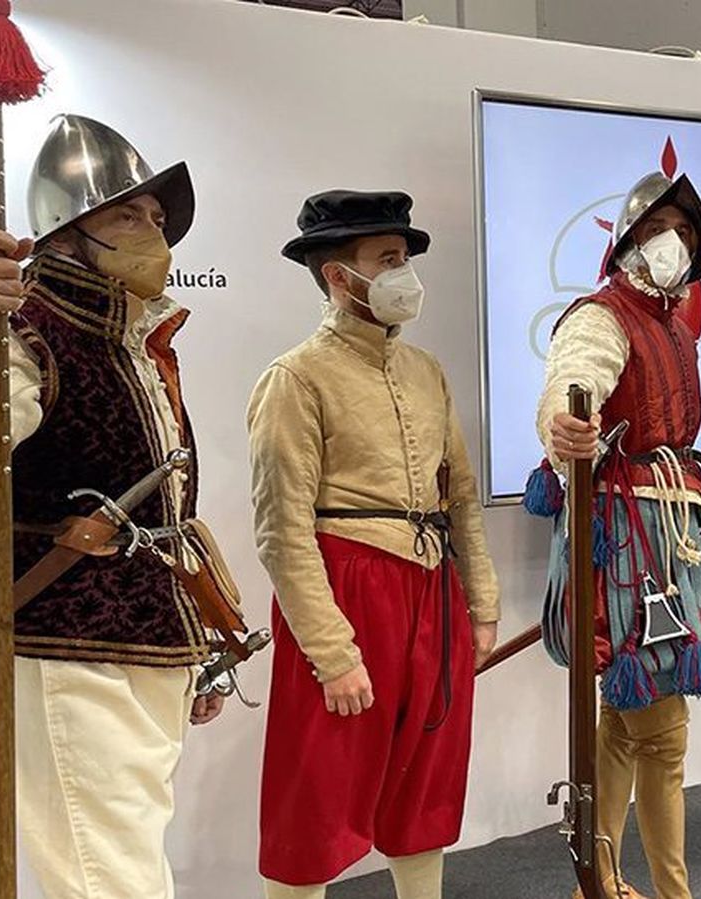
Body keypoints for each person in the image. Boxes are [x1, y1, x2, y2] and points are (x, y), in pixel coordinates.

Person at [0, 115, 222, 898]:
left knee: (123, 845)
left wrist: (202, 636)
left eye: (156, 219)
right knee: (106, 870)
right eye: (126, 215)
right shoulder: (29, 331)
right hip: (66, 617)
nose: (151, 233)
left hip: (147, 616)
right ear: (66, 232)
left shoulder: (128, 337)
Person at [251, 191, 499, 899]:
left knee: (426, 782)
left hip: (431, 590)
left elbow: (460, 497)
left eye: (405, 258)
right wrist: (332, 652)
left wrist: (479, 602)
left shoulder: (426, 371)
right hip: (347, 586)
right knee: (317, 790)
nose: (405, 274)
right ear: (338, 275)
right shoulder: (295, 378)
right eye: (388, 260)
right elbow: (282, 529)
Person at [538, 171, 701, 899]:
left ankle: (604, 880)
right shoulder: (600, 316)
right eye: (660, 228)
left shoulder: (675, 327)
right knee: (663, 738)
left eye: (686, 232)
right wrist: (565, 425)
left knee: (625, 728)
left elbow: (669, 446)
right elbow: (573, 383)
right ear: (628, 239)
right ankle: (669, 892)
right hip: (625, 546)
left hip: (668, 536)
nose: (674, 243)